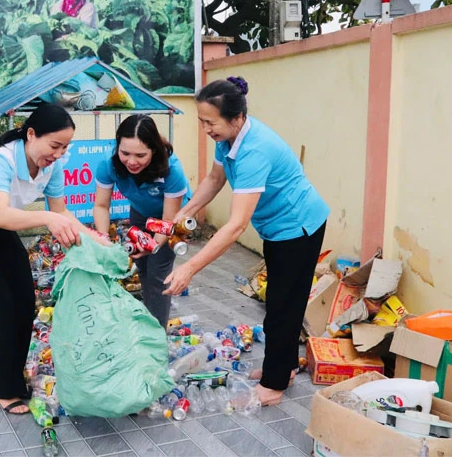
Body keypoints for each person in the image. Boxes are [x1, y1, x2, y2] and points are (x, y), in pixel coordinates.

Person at [162, 76, 329, 406]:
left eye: (212, 122)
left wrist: (190, 268)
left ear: (236, 118)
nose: (207, 129)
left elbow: (236, 225)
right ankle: (281, 367)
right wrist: (184, 213)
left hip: (298, 228)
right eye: (202, 122)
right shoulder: (228, 140)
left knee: (284, 306)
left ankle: (274, 385)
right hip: (277, 228)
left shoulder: (254, 151)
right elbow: (214, 178)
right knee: (281, 303)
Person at [0, 103, 105, 415]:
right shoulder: (1, 160)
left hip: (3, 228)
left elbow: (61, 213)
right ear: (31, 134)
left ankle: (12, 376)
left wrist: (97, 240)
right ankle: (2, 389)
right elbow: (1, 214)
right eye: (54, 145)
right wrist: (47, 218)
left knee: (23, 299)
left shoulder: (52, 166)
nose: (58, 154)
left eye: (65, 147)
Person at [93, 115, 192, 328]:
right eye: (125, 153)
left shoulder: (171, 168)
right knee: (141, 269)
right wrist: (102, 240)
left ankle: (155, 337)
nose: (131, 161)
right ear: (117, 146)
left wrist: (153, 246)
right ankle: (145, 318)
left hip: (170, 218)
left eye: (140, 155)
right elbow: (101, 206)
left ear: (153, 150)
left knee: (158, 274)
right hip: (140, 212)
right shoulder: (108, 163)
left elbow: (167, 220)